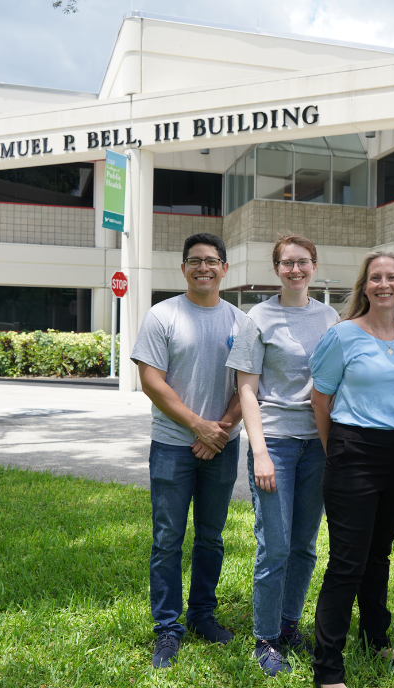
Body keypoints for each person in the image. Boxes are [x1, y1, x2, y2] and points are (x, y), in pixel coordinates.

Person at [307, 250, 394, 688]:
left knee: (378, 555)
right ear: (364, 286)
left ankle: (376, 640)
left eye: (391, 277)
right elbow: (320, 401)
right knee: (347, 562)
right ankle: (328, 668)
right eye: (375, 277)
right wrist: (337, 450)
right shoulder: (342, 336)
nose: (383, 284)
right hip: (353, 452)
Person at [130, 232, 246, 669]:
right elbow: (152, 382)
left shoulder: (241, 321)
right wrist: (198, 426)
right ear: (183, 268)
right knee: (167, 539)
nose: (203, 268)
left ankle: (201, 615)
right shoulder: (162, 316)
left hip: (223, 446)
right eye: (195, 261)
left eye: (212, 261)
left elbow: (250, 383)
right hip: (173, 447)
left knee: (211, 538)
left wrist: (222, 429)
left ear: (224, 268)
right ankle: (167, 628)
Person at [225, 235, 338, 676]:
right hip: (275, 441)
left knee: (305, 545)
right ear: (277, 269)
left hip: (318, 444)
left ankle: (290, 625)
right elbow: (247, 390)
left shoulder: (328, 316)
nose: (296, 270)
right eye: (287, 263)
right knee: (275, 544)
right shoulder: (259, 317)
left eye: (303, 262)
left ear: (314, 265)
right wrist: (260, 453)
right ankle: (266, 638)